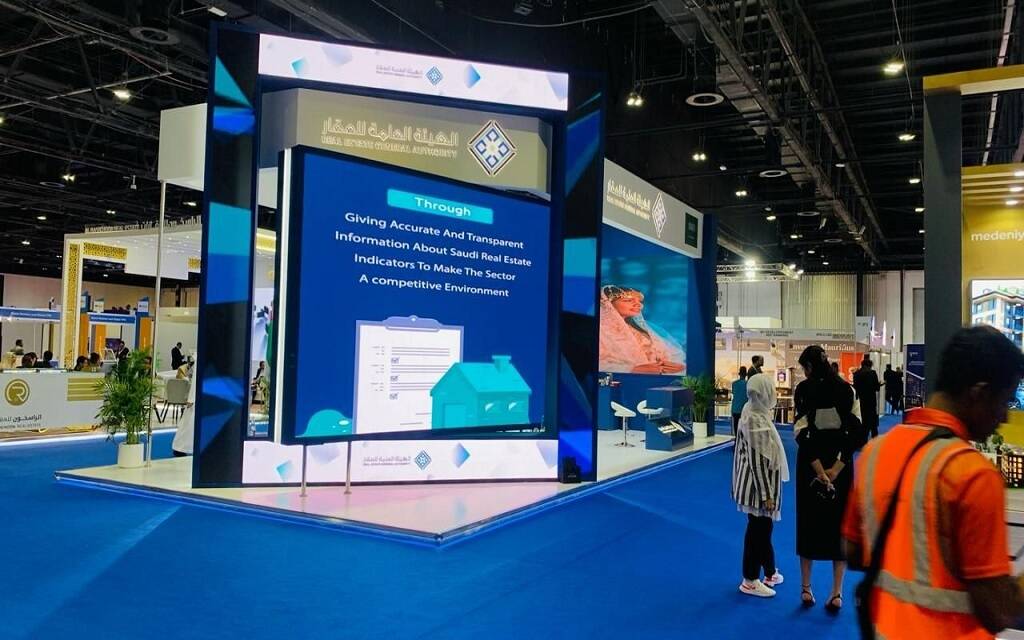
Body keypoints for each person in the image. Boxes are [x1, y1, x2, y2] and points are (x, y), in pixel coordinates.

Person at [844, 326, 1024, 638]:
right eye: (1005, 401)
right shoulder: (971, 474)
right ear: (979, 393)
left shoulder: (876, 453)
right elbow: (999, 611)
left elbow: (853, 551)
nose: (1004, 417)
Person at [794, 344, 859, 613]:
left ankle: (806, 588)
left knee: (808, 523)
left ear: (809, 367)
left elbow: (801, 430)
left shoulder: (803, 390)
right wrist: (836, 469)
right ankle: (837, 592)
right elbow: (856, 431)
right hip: (841, 467)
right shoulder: (847, 389)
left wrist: (820, 471)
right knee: (839, 526)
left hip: (810, 466)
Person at [733, 373, 790, 598]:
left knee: (763, 529)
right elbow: (758, 462)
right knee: (758, 532)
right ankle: (750, 579)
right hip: (757, 490)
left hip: (756, 487)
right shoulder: (755, 419)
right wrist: (767, 495)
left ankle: (769, 572)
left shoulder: (753, 411)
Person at [598, 285, 685, 374]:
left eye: (639, 301)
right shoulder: (600, 331)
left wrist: (672, 365)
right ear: (608, 303)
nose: (639, 305)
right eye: (628, 300)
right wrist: (630, 369)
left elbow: (672, 354)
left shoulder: (640, 329)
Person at [852, 358, 882, 438]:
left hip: (861, 400)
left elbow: (855, 387)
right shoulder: (872, 373)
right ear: (869, 365)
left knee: (864, 418)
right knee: (872, 419)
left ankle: (863, 437)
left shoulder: (856, 374)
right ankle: (874, 437)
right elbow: (876, 388)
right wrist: (879, 384)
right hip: (871, 399)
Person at [731, 366, 749, 435]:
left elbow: (734, 393)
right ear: (746, 375)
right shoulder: (748, 384)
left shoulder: (734, 384)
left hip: (735, 408)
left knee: (736, 426)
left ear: (739, 374)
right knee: (744, 427)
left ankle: (737, 438)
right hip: (744, 409)